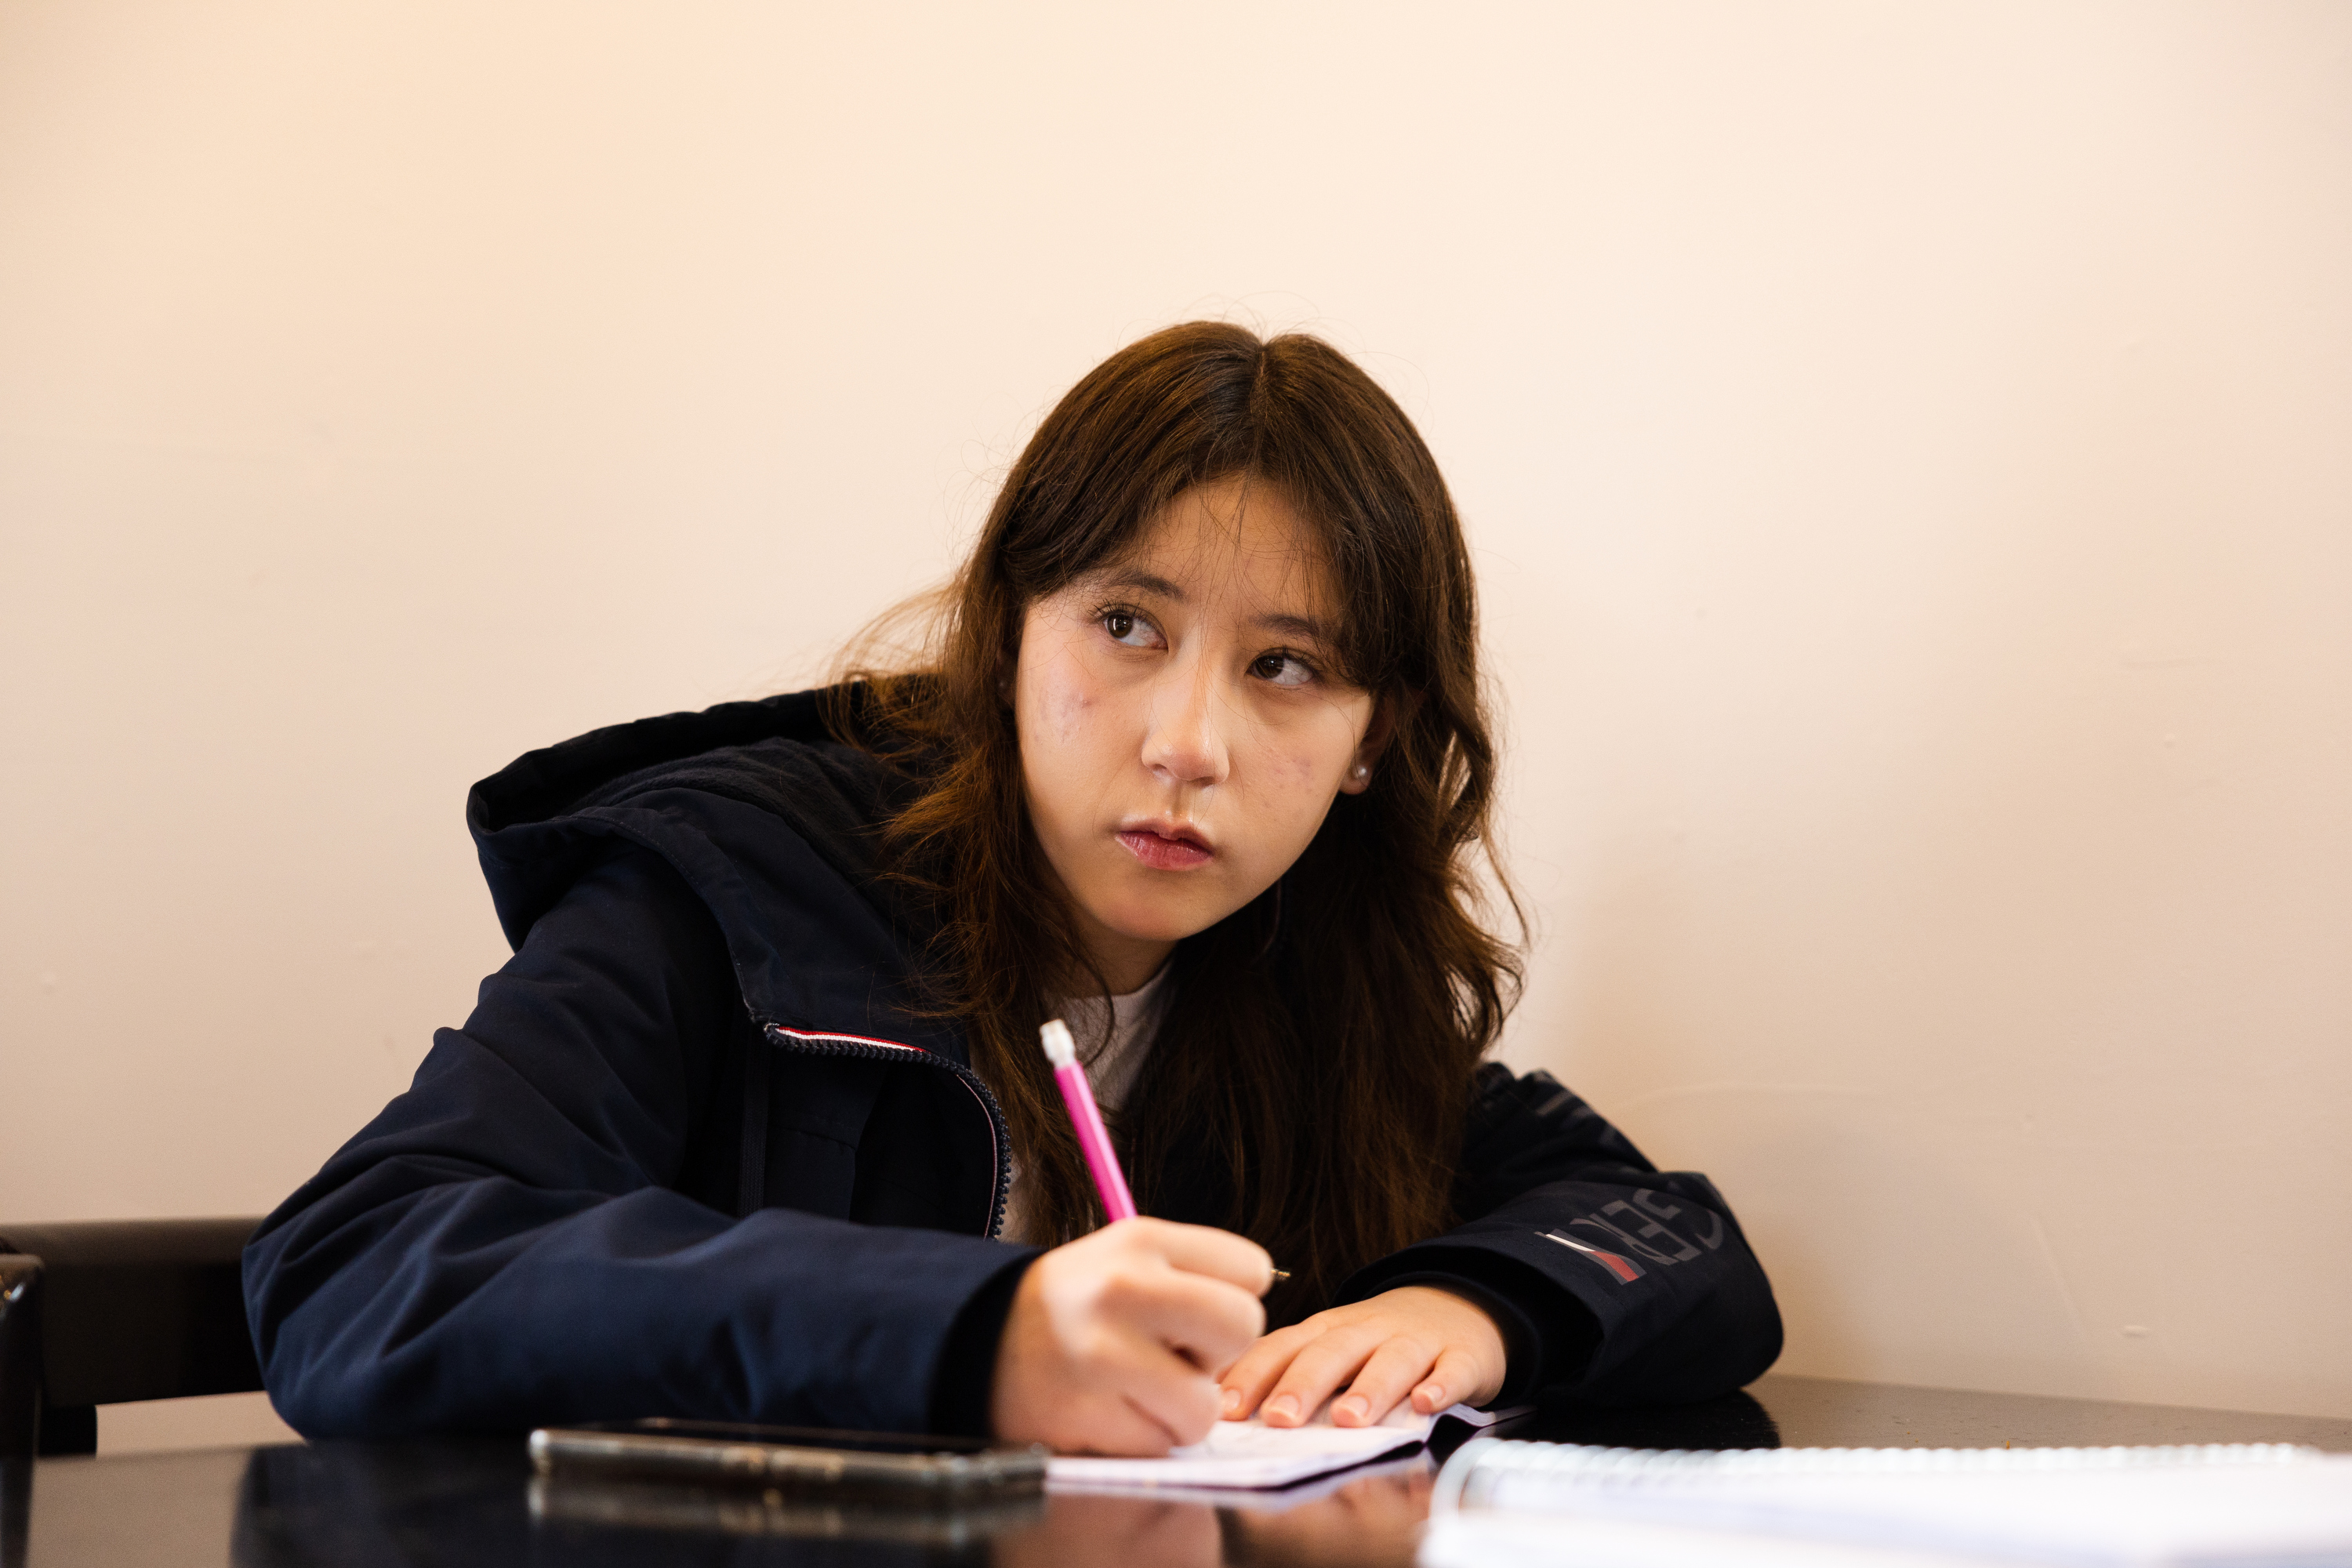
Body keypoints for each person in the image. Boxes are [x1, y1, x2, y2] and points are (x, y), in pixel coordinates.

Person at [242, 322, 1782, 1454]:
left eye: (1287, 667)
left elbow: (1676, 1238)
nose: (1189, 742)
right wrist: (973, 1334)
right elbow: (351, 1269)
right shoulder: (735, 886)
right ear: (1010, 637)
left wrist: (1477, 1311)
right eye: (1127, 623)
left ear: (1372, 741)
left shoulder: (1315, 979)